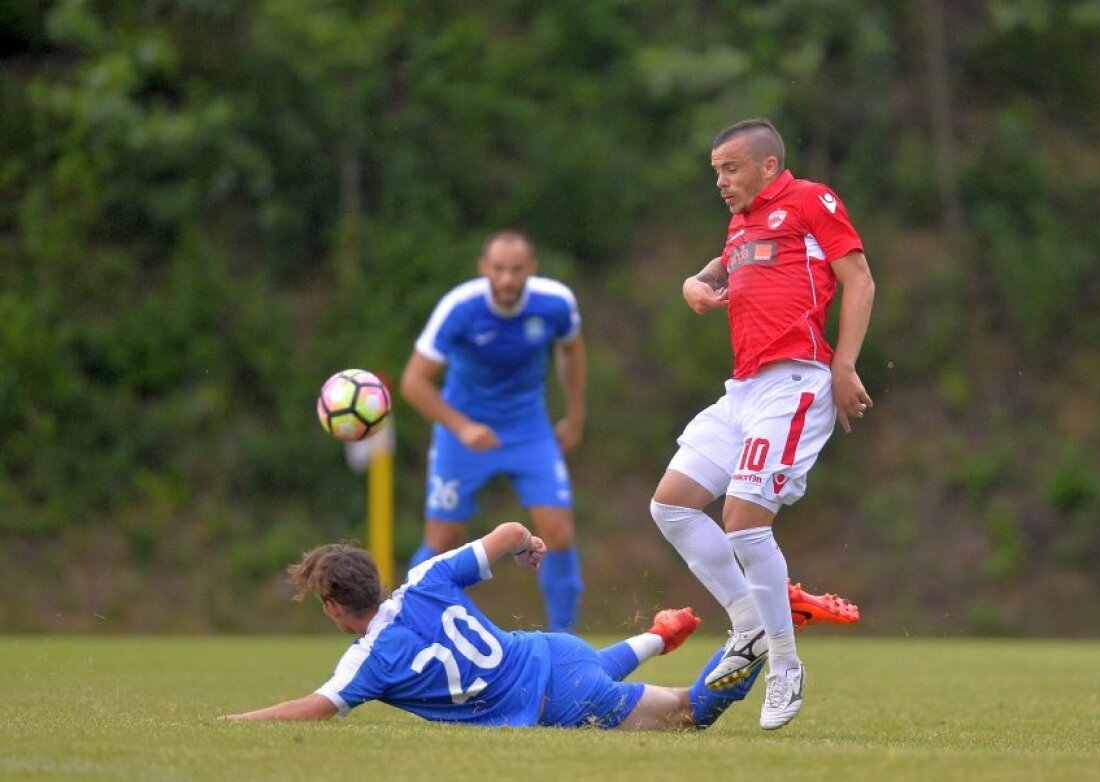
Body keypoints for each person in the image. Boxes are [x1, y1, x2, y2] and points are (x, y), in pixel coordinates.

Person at [649, 118, 875, 731]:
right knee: (671, 505)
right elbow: (724, 264)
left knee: (745, 521)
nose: (720, 181)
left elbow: (859, 277)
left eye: (731, 168)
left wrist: (844, 364)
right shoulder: (742, 222)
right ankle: (750, 621)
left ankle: (783, 663)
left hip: (795, 381)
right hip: (744, 389)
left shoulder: (810, 200)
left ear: (768, 166)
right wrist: (695, 284)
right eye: (716, 171)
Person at [221, 521, 775, 729]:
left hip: (560, 699)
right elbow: (509, 532)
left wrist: (237, 719)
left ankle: (762, 630)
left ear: (332, 606)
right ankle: (658, 634)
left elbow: (316, 707)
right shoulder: (426, 578)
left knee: (689, 714)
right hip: (554, 650)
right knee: (592, 669)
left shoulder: (370, 660)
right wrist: (528, 545)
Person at [400, 230, 587, 633]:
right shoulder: (460, 308)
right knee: (443, 538)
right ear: (483, 268)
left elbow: (571, 349)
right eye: (499, 269)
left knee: (558, 533)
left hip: (529, 429)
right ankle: (406, 629)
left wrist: (574, 416)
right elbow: (413, 381)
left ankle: (565, 642)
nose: (507, 279)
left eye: (516, 270)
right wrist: (462, 427)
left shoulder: (555, 303)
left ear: (531, 269)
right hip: (463, 430)